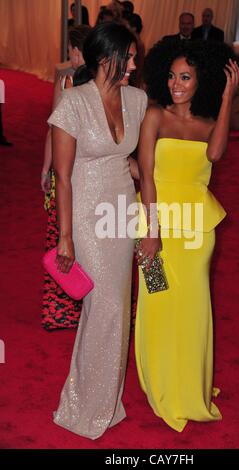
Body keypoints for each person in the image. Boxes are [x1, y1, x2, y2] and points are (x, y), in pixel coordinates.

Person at [135, 39, 239, 432]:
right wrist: (151, 232)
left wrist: (229, 95)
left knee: (193, 311)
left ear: (202, 82)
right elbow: (147, 176)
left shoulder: (209, 125)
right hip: (151, 227)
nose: (177, 84)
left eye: (186, 77)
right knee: (156, 304)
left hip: (197, 234)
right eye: (172, 76)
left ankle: (190, 388)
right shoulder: (154, 116)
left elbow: (214, 156)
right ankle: (161, 383)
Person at [48, 22, 147, 439]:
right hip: (87, 215)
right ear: (105, 58)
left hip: (124, 210)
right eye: (128, 56)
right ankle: (83, 406)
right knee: (103, 307)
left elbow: (136, 165)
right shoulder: (73, 102)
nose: (134, 63)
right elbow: (63, 176)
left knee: (117, 308)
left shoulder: (138, 100)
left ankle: (106, 401)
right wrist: (65, 235)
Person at [41, 25, 91, 331]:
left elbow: (53, 130)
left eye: (72, 49)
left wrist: (46, 168)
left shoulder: (68, 82)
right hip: (87, 172)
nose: (70, 56)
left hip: (70, 171)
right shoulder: (104, 84)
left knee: (63, 235)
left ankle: (64, 310)